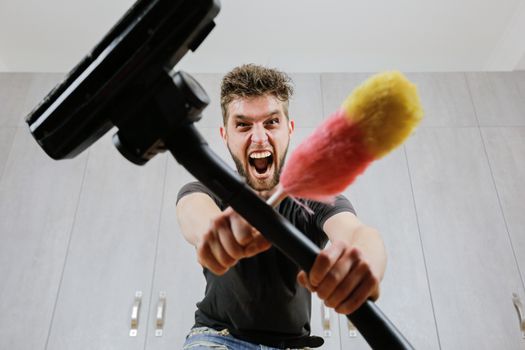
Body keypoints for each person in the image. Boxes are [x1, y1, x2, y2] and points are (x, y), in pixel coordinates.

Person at [176, 64, 387, 349]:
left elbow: (357, 234)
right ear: (226, 135)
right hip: (217, 339)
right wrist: (214, 232)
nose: (260, 137)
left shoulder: (315, 197)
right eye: (243, 125)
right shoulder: (209, 190)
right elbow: (194, 212)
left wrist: (364, 264)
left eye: (271, 122)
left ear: (289, 129)